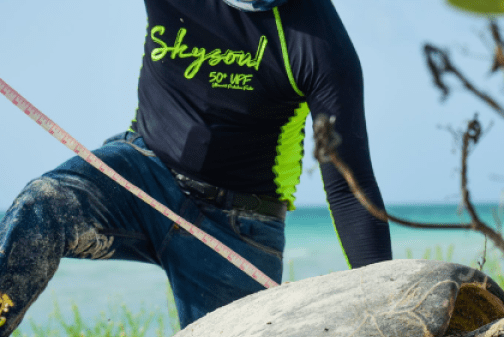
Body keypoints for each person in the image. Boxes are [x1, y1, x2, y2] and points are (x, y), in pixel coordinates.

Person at [0, 0, 392, 334]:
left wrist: (385, 306)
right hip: (141, 171)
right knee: (43, 205)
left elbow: (348, 189)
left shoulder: (319, 40)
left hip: (240, 225)